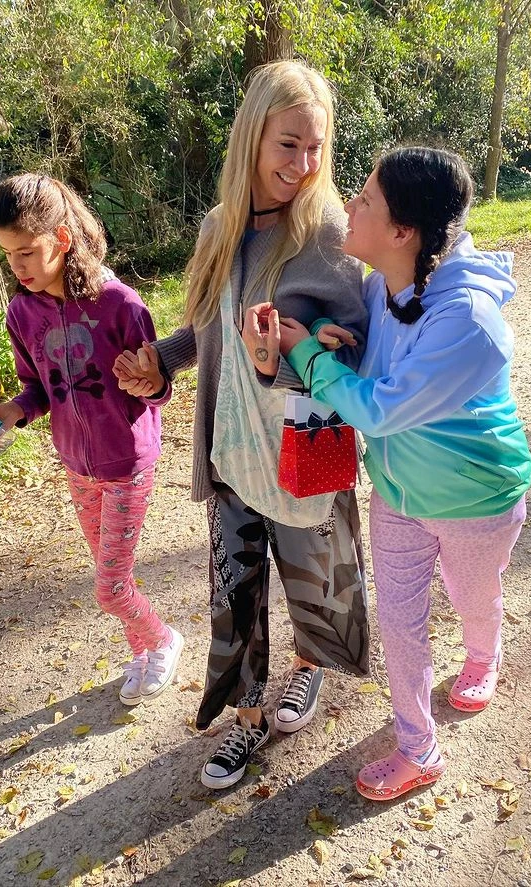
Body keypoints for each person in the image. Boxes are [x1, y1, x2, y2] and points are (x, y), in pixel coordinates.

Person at [113, 61, 370, 790]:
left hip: (302, 450)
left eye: (316, 147)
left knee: (313, 580)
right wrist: (158, 362)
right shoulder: (219, 226)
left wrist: (287, 352)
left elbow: (348, 342)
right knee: (237, 588)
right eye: (289, 144)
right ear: (253, 134)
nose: (305, 163)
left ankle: (309, 665)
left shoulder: (325, 231)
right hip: (231, 452)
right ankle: (247, 717)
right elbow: (204, 324)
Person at [270, 146, 531, 801]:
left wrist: (302, 350)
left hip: (477, 499)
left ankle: (483, 653)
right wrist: (328, 330)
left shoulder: (470, 322)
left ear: (400, 232)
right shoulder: (380, 285)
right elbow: (364, 347)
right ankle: (419, 748)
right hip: (398, 495)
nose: (349, 207)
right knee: (400, 623)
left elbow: (379, 408)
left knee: (474, 598)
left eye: (363, 199)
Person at [0, 173, 183, 707]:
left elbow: (160, 388)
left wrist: (150, 381)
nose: (18, 267)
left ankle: (163, 640)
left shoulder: (120, 304)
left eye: (27, 252)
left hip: (127, 465)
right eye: (9, 256)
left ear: (63, 239)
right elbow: (37, 389)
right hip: (76, 465)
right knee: (110, 574)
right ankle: (142, 651)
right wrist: (12, 412)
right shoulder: (21, 313)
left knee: (110, 586)